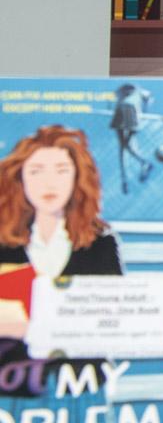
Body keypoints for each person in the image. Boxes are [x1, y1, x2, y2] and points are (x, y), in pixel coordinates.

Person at [0, 126, 123, 338]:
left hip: (82, 366)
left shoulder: (100, 243)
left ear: (77, 178)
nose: (49, 183)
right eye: (36, 171)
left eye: (61, 171)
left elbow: (113, 316)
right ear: (20, 179)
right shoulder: (4, 241)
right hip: (13, 367)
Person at [109, 83, 154, 193]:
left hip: (128, 115)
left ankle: (142, 164)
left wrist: (143, 112)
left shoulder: (138, 91)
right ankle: (127, 177)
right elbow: (111, 101)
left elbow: (148, 98)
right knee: (123, 148)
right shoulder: (123, 92)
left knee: (126, 147)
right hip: (121, 115)